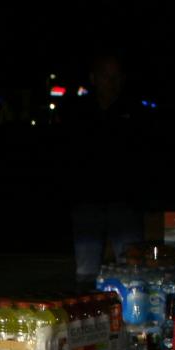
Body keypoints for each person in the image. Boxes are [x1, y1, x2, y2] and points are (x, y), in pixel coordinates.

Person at [67, 52, 144, 284]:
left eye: (116, 76)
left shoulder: (133, 110)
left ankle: (130, 314)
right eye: (106, 76)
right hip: (87, 202)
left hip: (125, 202)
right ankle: (87, 313)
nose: (112, 82)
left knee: (132, 270)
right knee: (86, 270)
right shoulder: (78, 111)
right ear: (93, 78)